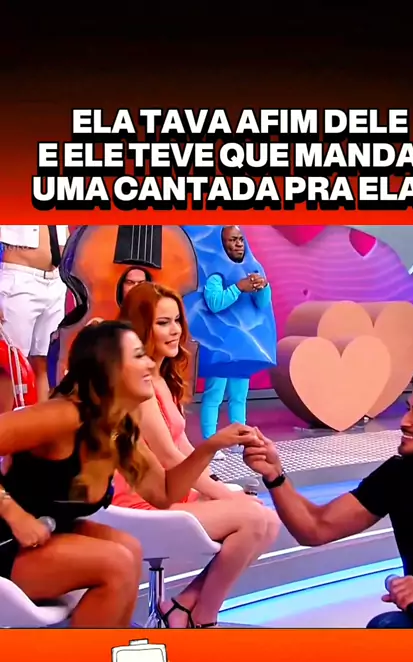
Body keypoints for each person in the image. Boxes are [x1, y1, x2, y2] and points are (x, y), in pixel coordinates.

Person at [0, 320, 257, 629]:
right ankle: (79, 659)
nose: (149, 363)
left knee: (129, 549)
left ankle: (102, 654)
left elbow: (165, 494)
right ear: (108, 367)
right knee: (116, 562)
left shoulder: (118, 429)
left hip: (45, 533)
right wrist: (12, 512)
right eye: (138, 355)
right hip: (7, 537)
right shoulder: (63, 415)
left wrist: (210, 447)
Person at [243, 371, 413, 628]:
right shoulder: (401, 473)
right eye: (408, 410)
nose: (405, 421)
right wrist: (274, 475)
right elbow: (315, 528)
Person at [113, 282, 281, 628]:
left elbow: (183, 449)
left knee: (268, 522)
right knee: (253, 519)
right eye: (163, 323)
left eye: (177, 320)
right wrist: (226, 495)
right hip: (141, 503)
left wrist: (218, 485)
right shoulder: (137, 384)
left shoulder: (161, 378)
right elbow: (170, 458)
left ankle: (185, 607)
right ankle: (202, 616)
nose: (175, 330)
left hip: (171, 491)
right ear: (142, 328)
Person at [198, 226, 274, 458]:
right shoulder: (215, 271)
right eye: (232, 240)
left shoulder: (254, 267)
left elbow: (262, 305)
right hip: (220, 346)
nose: (239, 243)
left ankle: (239, 439)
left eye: (241, 239)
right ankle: (210, 442)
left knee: (239, 396)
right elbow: (214, 303)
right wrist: (238, 288)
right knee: (214, 395)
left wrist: (263, 287)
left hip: (243, 346)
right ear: (222, 244)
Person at [0, 225, 69, 402]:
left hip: (55, 281)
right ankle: (6, 418)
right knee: (11, 363)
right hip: (19, 277)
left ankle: (39, 416)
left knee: (43, 360)